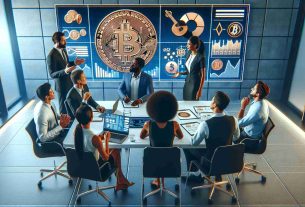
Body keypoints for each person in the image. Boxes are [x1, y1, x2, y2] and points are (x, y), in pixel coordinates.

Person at [74, 104, 134, 191]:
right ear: (91, 118)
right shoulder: (94, 138)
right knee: (116, 152)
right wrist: (106, 140)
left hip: (82, 167)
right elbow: (106, 158)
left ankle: (121, 181)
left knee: (111, 151)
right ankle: (120, 181)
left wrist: (98, 140)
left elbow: (88, 143)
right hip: (96, 169)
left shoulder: (77, 131)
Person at [183, 91, 240, 182]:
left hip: (210, 161)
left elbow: (194, 142)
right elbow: (236, 137)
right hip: (227, 159)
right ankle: (218, 174)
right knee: (218, 148)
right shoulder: (234, 120)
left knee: (187, 148)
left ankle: (196, 176)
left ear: (214, 104)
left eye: (212, 100)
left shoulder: (205, 124)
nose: (211, 102)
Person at [140, 91, 184, 187]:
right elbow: (181, 137)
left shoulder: (148, 124)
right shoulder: (175, 125)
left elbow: (141, 137)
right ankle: (160, 180)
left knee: (157, 154)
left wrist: (150, 133)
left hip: (152, 164)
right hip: (171, 164)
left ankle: (157, 180)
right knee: (164, 153)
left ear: (152, 109)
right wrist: (173, 133)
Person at [47, 31, 85, 113]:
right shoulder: (51, 55)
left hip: (69, 82)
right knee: (63, 109)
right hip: (62, 87)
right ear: (57, 42)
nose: (65, 42)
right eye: (63, 40)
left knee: (71, 106)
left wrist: (74, 63)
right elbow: (52, 74)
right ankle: (65, 125)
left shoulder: (63, 50)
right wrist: (65, 71)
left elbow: (66, 64)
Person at [34, 82, 70, 147]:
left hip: (58, 133)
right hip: (52, 143)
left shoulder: (50, 103)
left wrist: (61, 117)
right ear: (46, 97)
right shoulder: (42, 114)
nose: (53, 92)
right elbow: (43, 138)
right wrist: (61, 126)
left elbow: (53, 114)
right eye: (51, 91)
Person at [172, 36, 206, 100]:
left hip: (195, 83)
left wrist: (200, 90)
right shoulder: (188, 54)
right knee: (185, 100)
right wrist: (180, 73)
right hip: (187, 83)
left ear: (195, 45)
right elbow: (189, 71)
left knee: (192, 102)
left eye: (189, 44)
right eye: (187, 44)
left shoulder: (201, 57)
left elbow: (203, 76)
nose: (187, 45)